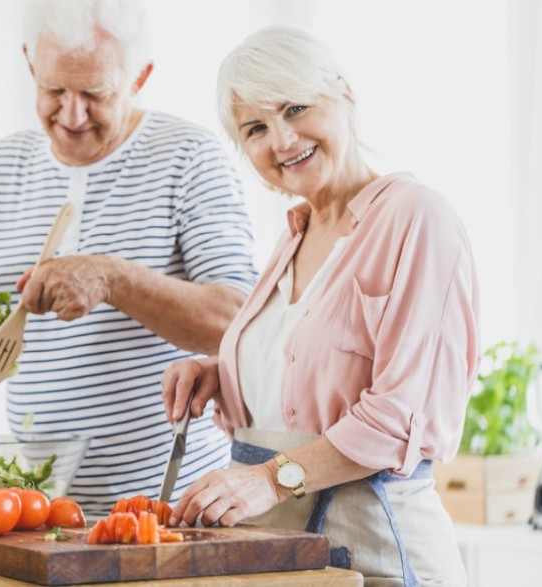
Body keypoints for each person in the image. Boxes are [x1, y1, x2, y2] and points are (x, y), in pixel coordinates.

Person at [0, 0, 257, 517]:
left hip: (177, 507)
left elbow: (236, 321)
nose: (72, 114)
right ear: (30, 65)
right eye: (55, 90)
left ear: (140, 77)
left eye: (95, 94)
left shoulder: (188, 157)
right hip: (38, 510)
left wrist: (112, 278)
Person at [161, 26, 479, 586]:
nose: (281, 141)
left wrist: (267, 480)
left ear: (345, 95)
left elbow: (397, 416)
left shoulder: (416, 218)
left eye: (295, 108)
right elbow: (312, 381)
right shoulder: (296, 234)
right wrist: (225, 373)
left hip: (382, 558)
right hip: (288, 560)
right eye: (256, 128)